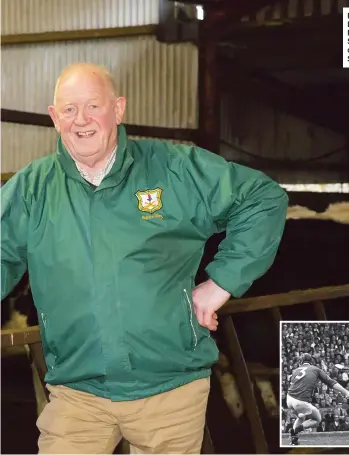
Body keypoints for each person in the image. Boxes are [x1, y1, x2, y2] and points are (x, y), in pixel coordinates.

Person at [1, 62, 289, 454]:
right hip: (76, 393)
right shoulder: (32, 189)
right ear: (54, 117)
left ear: (118, 110)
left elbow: (262, 198)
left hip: (170, 390)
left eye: (93, 106)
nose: (80, 120)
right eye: (68, 110)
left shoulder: (175, 169)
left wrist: (221, 282)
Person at [285, 353, 349, 439]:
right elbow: (331, 382)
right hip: (300, 401)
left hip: (289, 399)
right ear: (311, 361)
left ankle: (293, 439)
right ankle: (295, 430)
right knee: (317, 419)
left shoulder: (295, 371)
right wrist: (346, 392)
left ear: (301, 361)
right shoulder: (315, 369)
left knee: (301, 417)